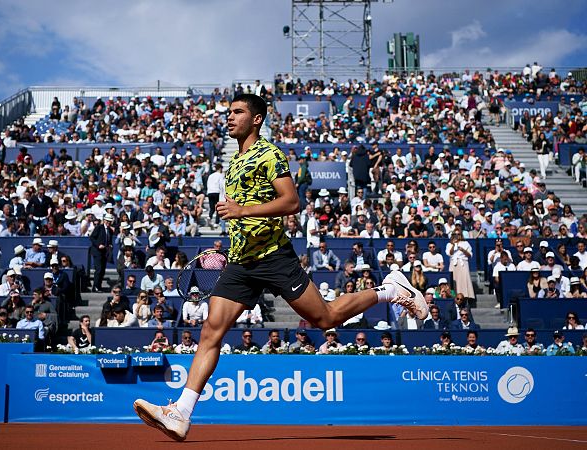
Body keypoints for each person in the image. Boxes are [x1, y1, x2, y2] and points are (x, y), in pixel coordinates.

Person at [134, 94, 427, 442]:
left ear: (256, 119)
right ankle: (181, 413)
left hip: (274, 257)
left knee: (326, 318)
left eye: (238, 112)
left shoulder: (269, 154)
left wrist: (242, 211)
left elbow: (291, 201)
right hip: (241, 262)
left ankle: (390, 290)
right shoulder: (233, 162)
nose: (230, 117)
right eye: (229, 112)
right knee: (211, 330)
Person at [446, 231, 474, 299]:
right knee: (453, 280)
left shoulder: (465, 243)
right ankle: (455, 296)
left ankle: (465, 296)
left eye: (458, 234)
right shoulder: (449, 244)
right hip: (454, 263)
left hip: (463, 263)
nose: (457, 236)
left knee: (464, 280)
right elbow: (450, 253)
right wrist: (453, 245)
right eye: (455, 234)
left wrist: (463, 250)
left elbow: (470, 255)